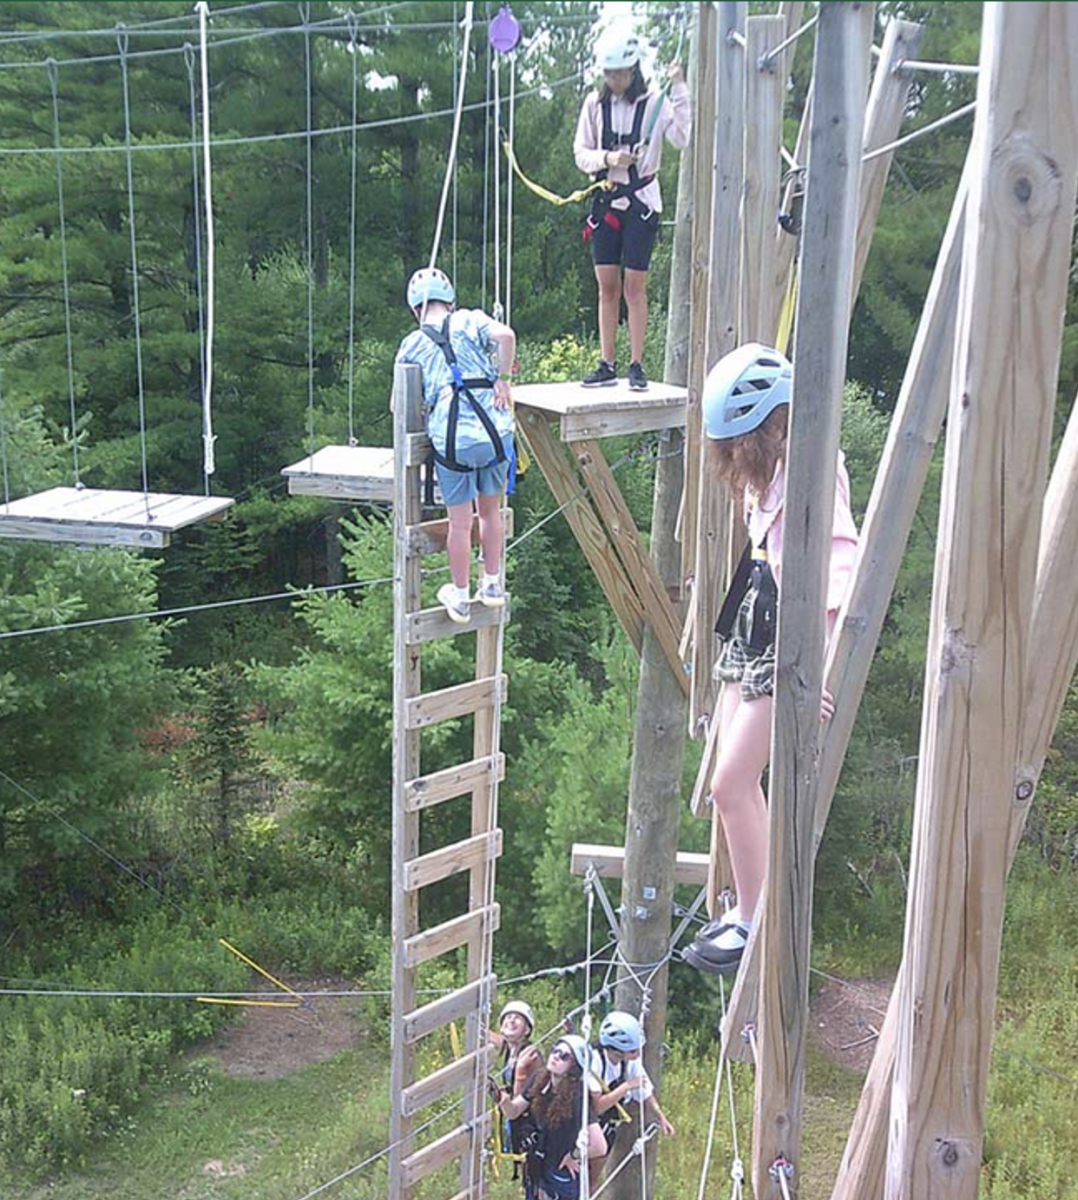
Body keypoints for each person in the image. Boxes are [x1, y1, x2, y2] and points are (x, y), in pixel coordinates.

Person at [683, 344, 859, 977]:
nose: (733, 462)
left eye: (739, 446)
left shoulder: (812, 476)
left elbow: (839, 575)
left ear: (768, 429)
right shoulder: (767, 476)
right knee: (724, 780)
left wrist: (815, 678)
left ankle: (757, 918)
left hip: (790, 639)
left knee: (733, 782)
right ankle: (747, 905)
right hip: (756, 625)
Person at [395, 267, 516, 623]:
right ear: (450, 302)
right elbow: (506, 335)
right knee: (491, 512)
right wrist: (504, 380)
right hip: (494, 431)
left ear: (416, 310)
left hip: (454, 440)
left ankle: (460, 597)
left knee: (460, 524)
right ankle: (492, 585)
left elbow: (396, 403)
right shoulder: (468, 319)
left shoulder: (412, 344)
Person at [573, 30, 690, 393]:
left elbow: (682, 139)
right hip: (607, 200)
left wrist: (680, 88)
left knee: (634, 287)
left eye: (621, 73)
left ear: (633, 70)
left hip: (641, 202)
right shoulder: (595, 104)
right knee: (607, 285)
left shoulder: (656, 103)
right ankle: (606, 362)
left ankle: (636, 364)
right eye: (609, 74)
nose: (615, 80)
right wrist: (608, 158)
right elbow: (581, 153)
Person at [497, 1034, 607, 1200]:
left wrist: (573, 1155)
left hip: (560, 1172)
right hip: (538, 1166)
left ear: (574, 1067)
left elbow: (600, 1146)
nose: (556, 1057)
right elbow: (514, 1111)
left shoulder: (578, 1097)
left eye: (564, 1056)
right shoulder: (540, 1079)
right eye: (555, 1051)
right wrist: (504, 1102)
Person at [591, 1011, 675, 1160]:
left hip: (606, 1125)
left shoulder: (630, 1061)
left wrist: (661, 1116)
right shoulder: (595, 1061)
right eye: (633, 1051)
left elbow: (645, 1091)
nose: (638, 1054)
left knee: (594, 1177)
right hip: (585, 1126)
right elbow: (596, 1107)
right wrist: (627, 1086)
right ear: (618, 1050)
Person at [490, 1000, 536, 1173]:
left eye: (517, 1018)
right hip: (516, 1115)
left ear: (526, 1030)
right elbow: (490, 1036)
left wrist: (521, 1071)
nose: (511, 1020)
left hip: (528, 1118)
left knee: (530, 1168)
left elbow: (518, 1099)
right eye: (507, 1018)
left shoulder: (530, 1055)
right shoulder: (511, 1048)